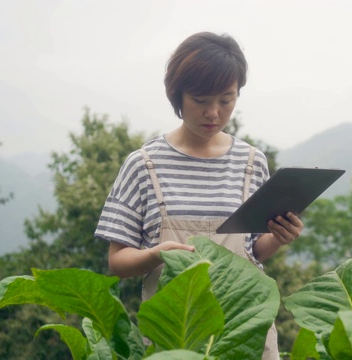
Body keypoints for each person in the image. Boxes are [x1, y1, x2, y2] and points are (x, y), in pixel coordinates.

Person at [94, 32, 303, 359]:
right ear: (177, 96)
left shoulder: (251, 163)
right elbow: (117, 262)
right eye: (201, 101)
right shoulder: (143, 165)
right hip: (175, 333)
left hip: (245, 330)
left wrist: (278, 237)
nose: (214, 113)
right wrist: (158, 254)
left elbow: (253, 253)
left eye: (226, 99)